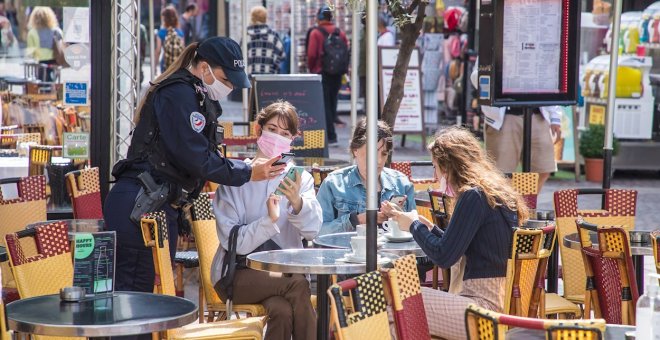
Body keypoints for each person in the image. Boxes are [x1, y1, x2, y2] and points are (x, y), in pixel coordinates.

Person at [104, 37, 286, 297]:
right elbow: (194, 156)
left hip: (154, 206)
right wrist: (247, 172)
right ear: (204, 68)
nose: (230, 87)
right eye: (226, 80)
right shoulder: (179, 94)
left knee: (143, 302)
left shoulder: (194, 95)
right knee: (133, 303)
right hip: (140, 207)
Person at [381, 126, 529, 340]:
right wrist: (430, 229)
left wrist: (414, 226)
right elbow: (465, 246)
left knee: (397, 299)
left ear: (449, 166)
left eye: (435, 167)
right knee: (401, 306)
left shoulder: (473, 196)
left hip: (482, 309)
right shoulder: (491, 193)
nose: (435, 175)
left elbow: (444, 257)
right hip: (498, 304)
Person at [212, 100, 320, 340]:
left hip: (282, 273)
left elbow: (314, 231)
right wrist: (268, 222)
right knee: (298, 284)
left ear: (293, 139)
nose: (277, 138)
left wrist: (297, 204)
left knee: (281, 310)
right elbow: (234, 243)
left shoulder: (299, 178)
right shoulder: (236, 177)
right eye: (272, 129)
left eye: (285, 134)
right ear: (258, 129)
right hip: (236, 273)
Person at [470, 58, 562, 190]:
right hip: (505, 115)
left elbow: (549, 77)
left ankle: (524, 204)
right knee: (500, 172)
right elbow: (477, 77)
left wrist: (555, 117)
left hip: (537, 113)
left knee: (543, 167)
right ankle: (509, 205)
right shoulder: (494, 40)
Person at [316, 119, 415, 235]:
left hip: (392, 252)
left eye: (384, 154)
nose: (378, 161)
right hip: (348, 252)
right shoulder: (333, 184)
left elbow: (415, 230)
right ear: (355, 150)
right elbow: (318, 232)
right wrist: (356, 220)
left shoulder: (401, 184)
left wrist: (399, 219)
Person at [306, 5, 349, 145]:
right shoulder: (340, 33)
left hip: (321, 72)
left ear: (319, 18)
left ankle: (330, 136)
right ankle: (331, 134)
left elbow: (312, 54)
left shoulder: (315, 33)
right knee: (332, 102)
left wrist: (312, 69)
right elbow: (346, 52)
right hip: (337, 73)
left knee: (324, 103)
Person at [246, 5, 285, 75]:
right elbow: (282, 56)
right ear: (265, 18)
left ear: (251, 18)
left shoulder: (246, 36)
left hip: (249, 81)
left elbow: (239, 59)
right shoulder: (273, 36)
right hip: (269, 80)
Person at [26, 6, 62, 81]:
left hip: (40, 64)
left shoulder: (32, 33)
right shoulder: (56, 31)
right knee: (53, 85)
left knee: (41, 85)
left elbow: (31, 53)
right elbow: (62, 47)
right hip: (54, 63)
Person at [154, 5, 184, 73]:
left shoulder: (161, 32)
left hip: (165, 64)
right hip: (178, 65)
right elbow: (183, 50)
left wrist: (155, 66)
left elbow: (158, 51)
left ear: (164, 19)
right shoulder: (180, 32)